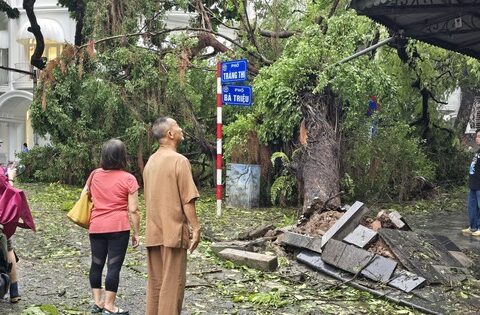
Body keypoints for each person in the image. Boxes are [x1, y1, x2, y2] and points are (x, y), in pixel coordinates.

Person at [143, 117, 201, 315]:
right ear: (170, 134)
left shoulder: (151, 161)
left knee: (156, 286)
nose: (181, 129)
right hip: (173, 233)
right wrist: (196, 227)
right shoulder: (180, 161)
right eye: (177, 126)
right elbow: (188, 200)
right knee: (172, 286)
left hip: (153, 232)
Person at [85, 139, 140, 315]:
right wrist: (137, 233)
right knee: (113, 267)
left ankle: (98, 303)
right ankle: (110, 305)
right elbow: (133, 209)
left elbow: (85, 194)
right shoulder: (129, 179)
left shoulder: (94, 174)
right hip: (118, 228)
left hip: (96, 226)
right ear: (122, 157)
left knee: (96, 264)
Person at [463, 130, 480, 236]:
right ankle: (473, 227)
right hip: (473, 184)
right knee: (471, 206)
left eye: (479, 136)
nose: (476, 138)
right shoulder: (478, 151)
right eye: (477, 136)